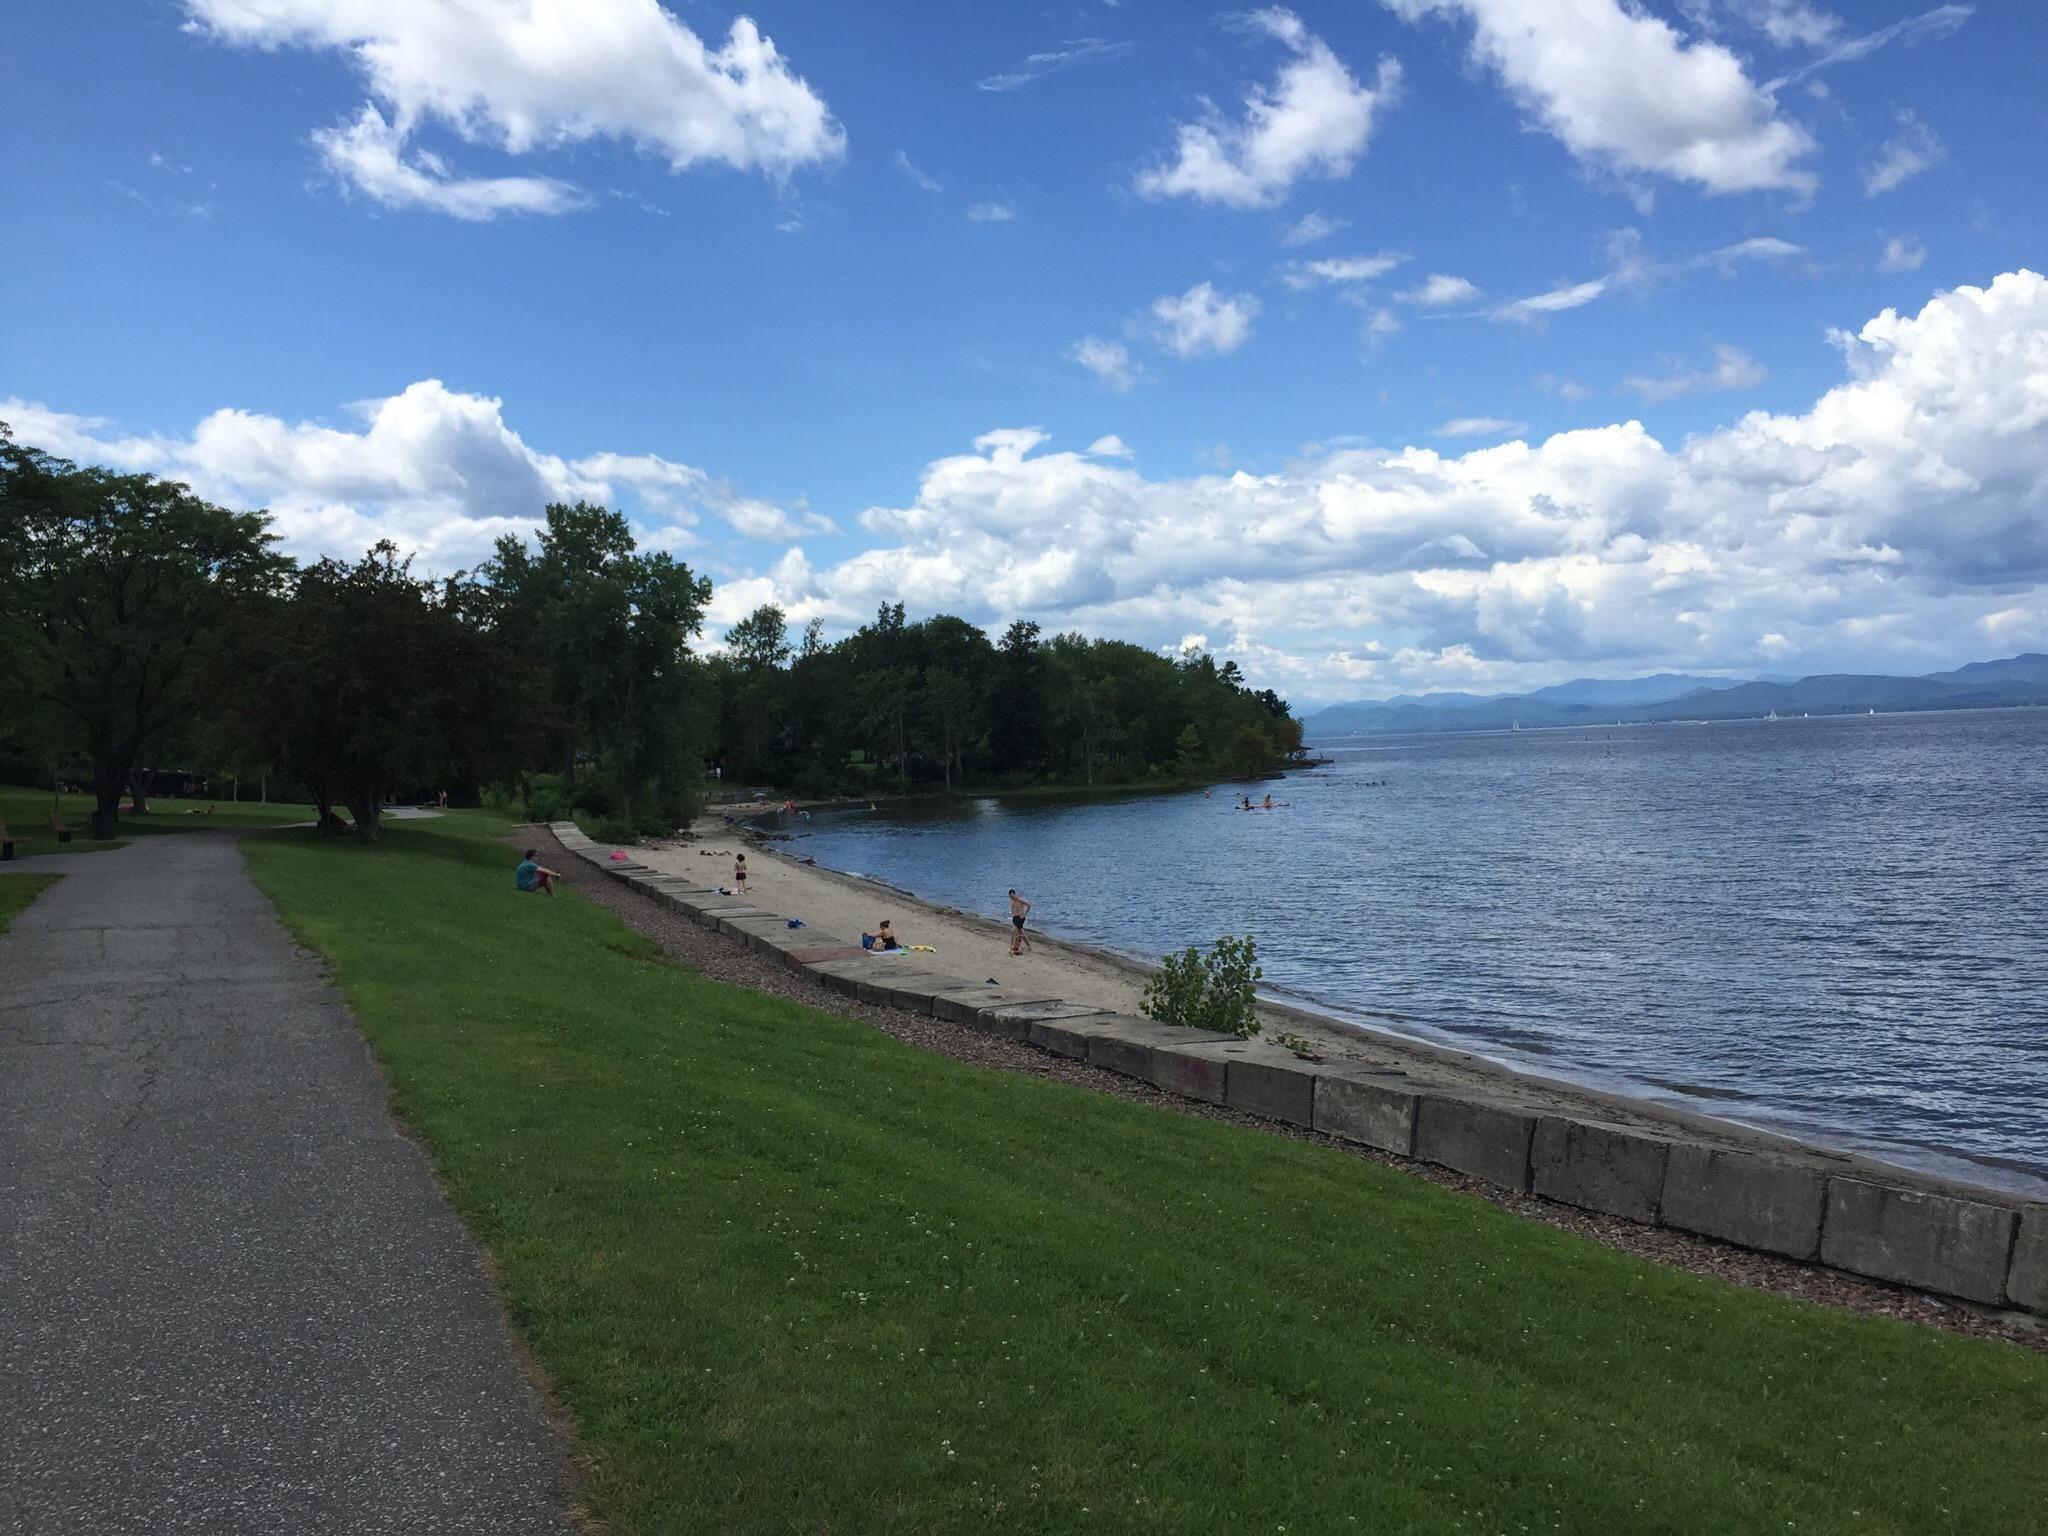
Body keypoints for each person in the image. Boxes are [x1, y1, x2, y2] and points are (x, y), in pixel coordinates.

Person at [1008, 889, 1032, 956]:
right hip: (1015, 918)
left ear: (1015, 894)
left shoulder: (1020, 900)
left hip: (1020, 918)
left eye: (1012, 896)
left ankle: (1017, 946)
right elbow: (1013, 908)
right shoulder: (1011, 900)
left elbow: (1029, 905)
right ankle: (1029, 946)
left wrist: (1025, 914)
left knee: (1013, 931)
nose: (1012, 897)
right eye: (1010, 896)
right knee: (1022, 933)